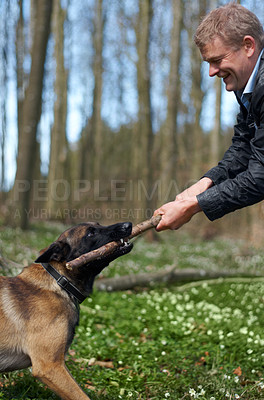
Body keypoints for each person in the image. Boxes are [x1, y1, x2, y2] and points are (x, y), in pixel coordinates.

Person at [155, 2, 264, 232]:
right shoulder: (247, 86)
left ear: (248, 46)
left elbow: (260, 176)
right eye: (208, 63)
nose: (211, 72)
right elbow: (244, 146)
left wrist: (194, 206)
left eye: (217, 60)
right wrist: (205, 183)